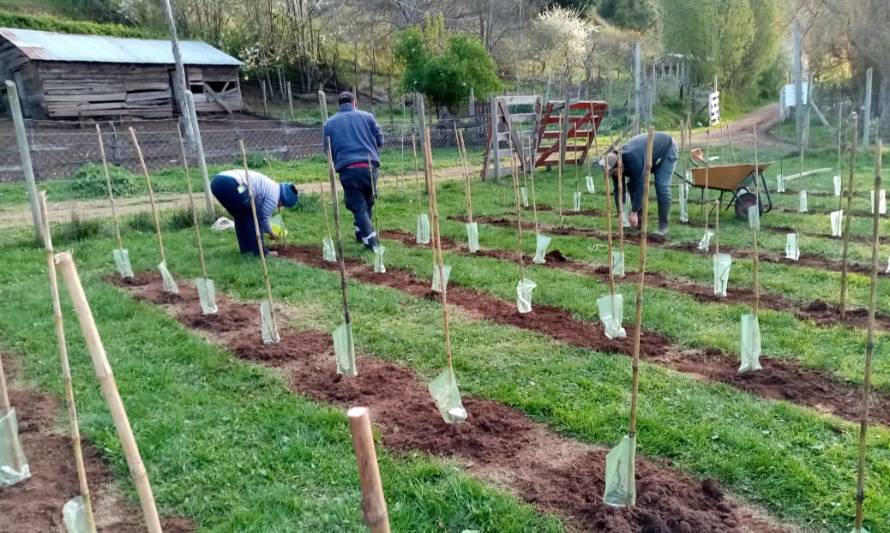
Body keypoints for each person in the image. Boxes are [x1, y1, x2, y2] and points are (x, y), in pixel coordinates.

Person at [322, 91, 384, 250]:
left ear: (339, 104)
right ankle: (361, 231)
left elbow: (327, 150)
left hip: (348, 168)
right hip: (370, 165)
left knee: (358, 204)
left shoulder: (329, 123)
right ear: (354, 102)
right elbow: (380, 140)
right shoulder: (368, 117)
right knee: (368, 199)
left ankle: (370, 239)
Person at [602, 131, 677, 236]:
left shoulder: (633, 159)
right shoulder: (614, 163)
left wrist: (633, 212)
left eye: (614, 172)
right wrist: (621, 212)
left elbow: (641, 186)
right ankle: (640, 220)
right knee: (631, 185)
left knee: (661, 186)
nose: (614, 175)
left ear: (619, 165)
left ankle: (663, 227)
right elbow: (619, 189)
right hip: (648, 155)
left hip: (666, 150)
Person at [210, 169, 299, 255]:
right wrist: (272, 233)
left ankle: (245, 250)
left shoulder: (272, 186)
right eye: (282, 205)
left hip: (218, 182)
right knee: (255, 214)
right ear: (282, 201)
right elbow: (263, 218)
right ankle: (260, 252)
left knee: (241, 215)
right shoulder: (274, 197)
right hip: (230, 183)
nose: (279, 206)